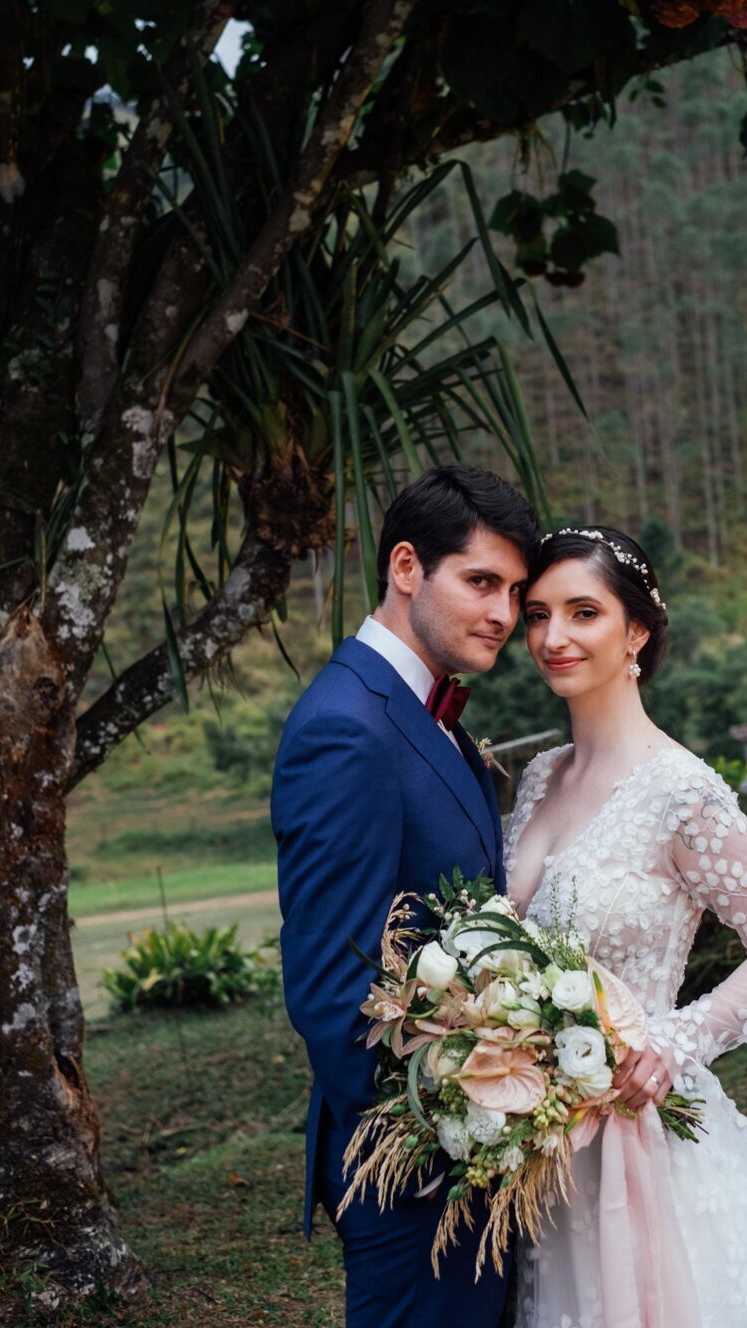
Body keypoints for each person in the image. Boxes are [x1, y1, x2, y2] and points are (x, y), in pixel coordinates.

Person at [505, 525, 747, 1328]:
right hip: (541, 1141)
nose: (553, 637)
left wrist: (674, 1042)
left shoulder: (681, 791)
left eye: (583, 613)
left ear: (637, 633)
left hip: (637, 1123)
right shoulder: (539, 775)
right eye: (538, 614)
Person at [271, 465, 538, 1328]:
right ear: (406, 567)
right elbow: (329, 986)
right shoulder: (348, 726)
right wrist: (436, 1143)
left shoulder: (430, 716)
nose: (503, 613)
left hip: (471, 1151)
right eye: (481, 582)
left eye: (515, 591)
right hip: (414, 1165)